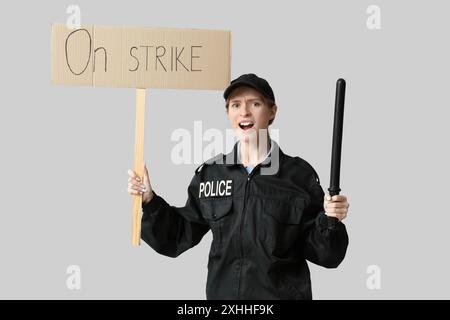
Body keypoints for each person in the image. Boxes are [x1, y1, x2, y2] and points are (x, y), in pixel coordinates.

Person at [127, 73, 350, 300]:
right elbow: (177, 236)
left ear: (272, 112)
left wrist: (330, 221)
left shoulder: (299, 177)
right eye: (235, 105)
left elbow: (328, 256)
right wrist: (149, 200)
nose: (244, 112)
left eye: (255, 103)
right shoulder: (210, 175)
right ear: (228, 113)